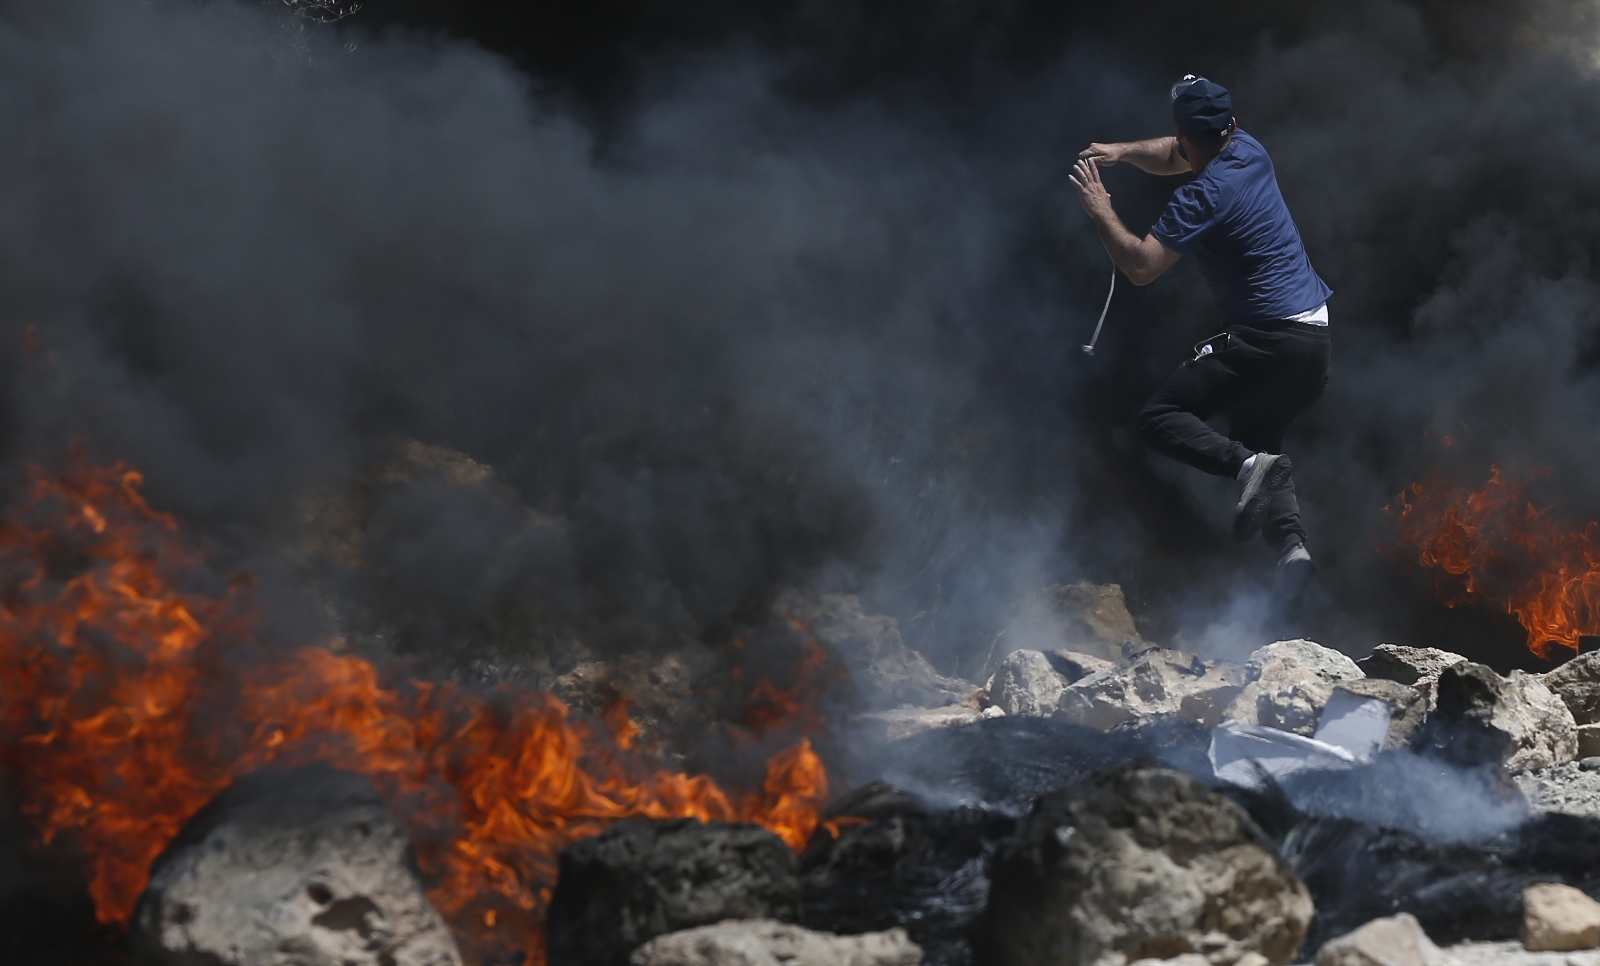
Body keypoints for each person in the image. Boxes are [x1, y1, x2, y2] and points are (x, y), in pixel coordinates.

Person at [1068, 75, 1331, 621]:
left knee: (1159, 418)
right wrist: (1123, 151)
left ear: (1189, 134)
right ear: (1229, 125)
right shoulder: (1247, 149)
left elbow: (1141, 266)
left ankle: (1247, 468)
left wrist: (1099, 210)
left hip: (1271, 341)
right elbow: (1173, 152)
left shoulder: (1206, 193)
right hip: (1313, 345)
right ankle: (1291, 548)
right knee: (1260, 442)